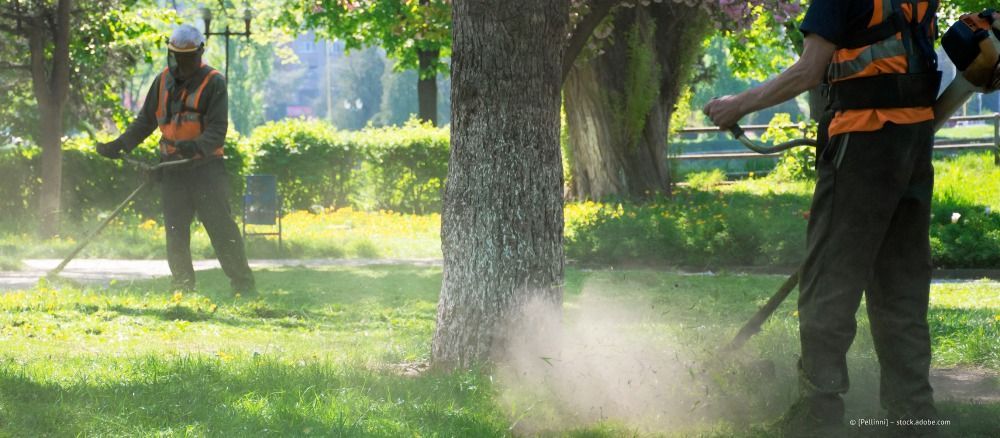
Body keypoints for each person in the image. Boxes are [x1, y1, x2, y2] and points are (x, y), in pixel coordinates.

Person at [704, 1, 941, 436]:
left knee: (829, 283)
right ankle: (914, 419)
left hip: (862, 147)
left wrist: (738, 104)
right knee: (900, 288)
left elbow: (808, 71)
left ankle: (818, 411)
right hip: (914, 146)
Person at [97, 24, 256, 296]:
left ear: (199, 53)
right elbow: (145, 121)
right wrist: (120, 146)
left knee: (221, 230)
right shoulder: (161, 81)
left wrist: (193, 147)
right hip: (172, 169)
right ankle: (182, 287)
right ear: (171, 54)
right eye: (178, 56)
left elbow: (217, 132)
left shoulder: (213, 82)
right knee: (175, 231)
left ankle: (243, 286)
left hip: (206, 170)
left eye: (188, 57)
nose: (183, 62)